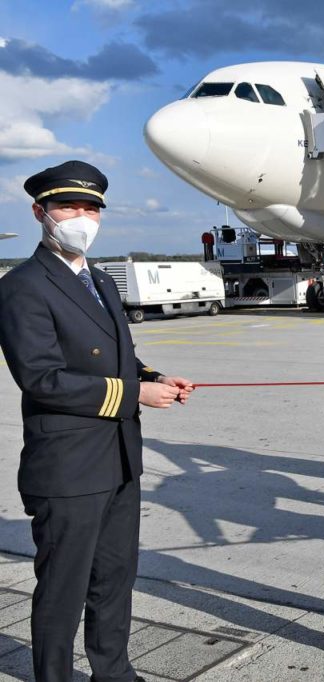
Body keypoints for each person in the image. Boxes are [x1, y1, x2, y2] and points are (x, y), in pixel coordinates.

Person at [0, 160, 194, 682]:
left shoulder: (102, 280)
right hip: (67, 469)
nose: (81, 217)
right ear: (41, 213)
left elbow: (119, 356)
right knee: (63, 589)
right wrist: (135, 394)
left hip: (119, 460)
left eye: (91, 208)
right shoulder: (22, 286)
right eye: (69, 207)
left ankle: (114, 671)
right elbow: (42, 379)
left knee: (114, 579)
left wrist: (157, 376)